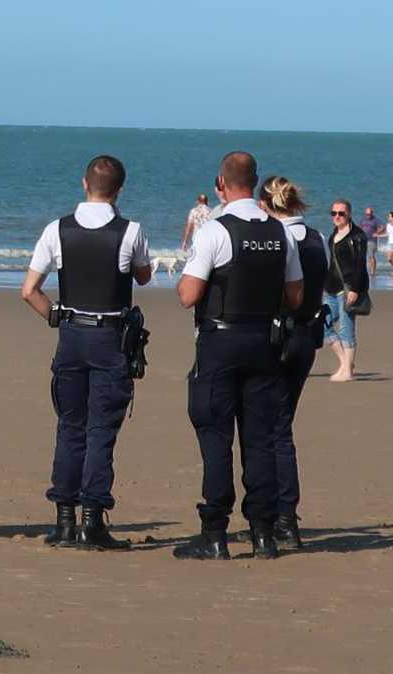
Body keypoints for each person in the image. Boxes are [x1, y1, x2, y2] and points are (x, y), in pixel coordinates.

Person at [172, 152, 304, 561]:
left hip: (221, 340)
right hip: (264, 340)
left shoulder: (215, 230)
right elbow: (295, 296)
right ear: (256, 182)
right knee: (259, 439)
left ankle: (215, 532)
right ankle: (263, 532)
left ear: (221, 184)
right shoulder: (280, 233)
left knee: (215, 436)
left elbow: (188, 295)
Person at [21, 155, 152, 551]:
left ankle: (63, 520)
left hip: (72, 335)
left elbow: (29, 290)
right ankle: (92, 521)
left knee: (69, 426)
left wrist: (56, 317)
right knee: (101, 430)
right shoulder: (130, 231)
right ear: (120, 189)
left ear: (84, 183)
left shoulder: (57, 230)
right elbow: (144, 276)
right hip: (109, 336)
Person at [258, 176, 329, 548]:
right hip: (306, 337)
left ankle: (282, 516)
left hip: (278, 337)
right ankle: (277, 513)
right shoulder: (317, 238)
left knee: (274, 428)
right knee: (280, 424)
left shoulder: (277, 239)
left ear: (266, 204)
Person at [323, 199, 370, 382]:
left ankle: (347, 372)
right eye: (334, 213)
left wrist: (355, 289)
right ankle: (345, 363)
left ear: (349, 214)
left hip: (348, 289)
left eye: (341, 213)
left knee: (345, 329)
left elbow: (360, 264)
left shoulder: (357, 236)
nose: (337, 217)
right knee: (323, 326)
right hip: (330, 289)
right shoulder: (334, 233)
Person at [358, 207, 381, 274]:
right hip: (363, 240)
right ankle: (366, 270)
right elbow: (359, 227)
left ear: (372, 213)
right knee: (363, 256)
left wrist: (377, 233)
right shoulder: (363, 219)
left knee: (371, 255)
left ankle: (373, 272)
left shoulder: (375, 220)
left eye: (369, 214)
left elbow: (382, 227)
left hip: (372, 240)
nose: (368, 215)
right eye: (367, 214)